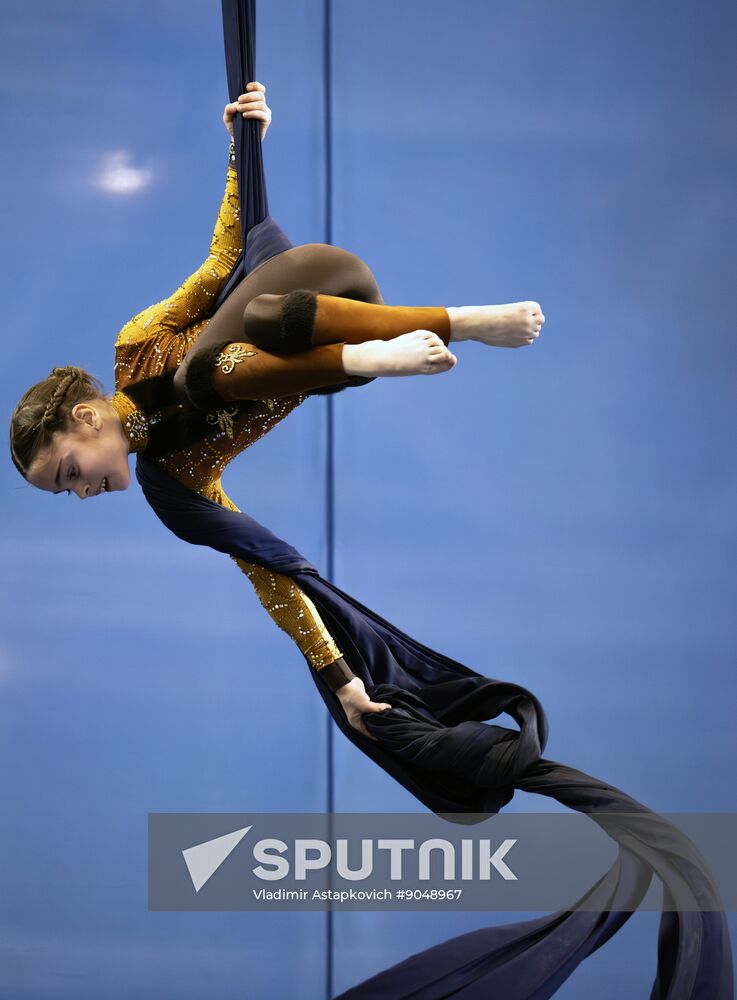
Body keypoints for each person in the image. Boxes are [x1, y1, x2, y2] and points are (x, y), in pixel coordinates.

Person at [9, 83, 545, 742]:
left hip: (317, 283)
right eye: (65, 492)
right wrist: (343, 683)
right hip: (334, 355)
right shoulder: (174, 485)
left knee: (207, 368)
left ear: (86, 419)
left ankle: (462, 322)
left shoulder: (135, 346)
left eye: (68, 472)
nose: (82, 492)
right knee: (212, 372)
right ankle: (379, 354)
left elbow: (223, 261)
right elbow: (269, 572)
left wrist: (245, 147)